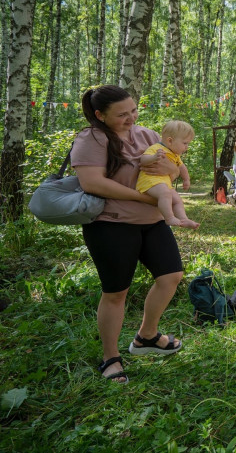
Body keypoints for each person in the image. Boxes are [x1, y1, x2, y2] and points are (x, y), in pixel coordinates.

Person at [72, 85, 184, 384]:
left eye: (133, 110)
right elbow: (93, 183)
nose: (131, 118)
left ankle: (146, 336)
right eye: (122, 114)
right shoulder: (91, 138)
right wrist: (144, 198)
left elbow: (171, 171)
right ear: (100, 115)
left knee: (171, 276)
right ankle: (111, 357)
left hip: (153, 220)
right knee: (116, 292)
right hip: (111, 223)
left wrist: (171, 174)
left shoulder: (147, 135)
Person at [135, 120, 199, 229]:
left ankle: (183, 219)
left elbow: (182, 168)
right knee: (165, 194)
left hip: (164, 183)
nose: (187, 147)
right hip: (150, 182)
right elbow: (143, 160)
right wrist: (154, 158)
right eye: (185, 143)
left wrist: (186, 180)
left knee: (177, 199)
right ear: (170, 141)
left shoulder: (175, 155)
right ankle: (168, 217)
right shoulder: (156, 148)